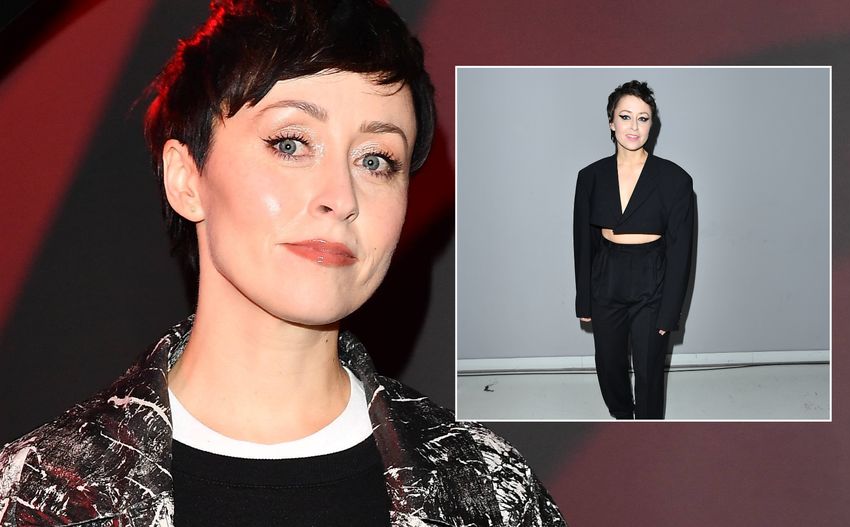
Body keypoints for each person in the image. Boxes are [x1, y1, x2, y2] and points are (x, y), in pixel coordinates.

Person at [0, 1, 565, 525]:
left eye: (376, 160)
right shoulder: (36, 495)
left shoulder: (491, 495)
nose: (341, 196)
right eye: (291, 143)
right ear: (187, 179)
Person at [573, 80, 695, 420]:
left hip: (652, 279)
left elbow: (681, 251)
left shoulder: (675, 179)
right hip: (606, 277)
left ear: (652, 125)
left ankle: (647, 430)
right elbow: (583, 242)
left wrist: (669, 312)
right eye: (625, 116)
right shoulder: (590, 177)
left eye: (643, 118)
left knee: (649, 370)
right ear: (611, 122)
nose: (634, 126)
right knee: (608, 366)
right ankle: (622, 419)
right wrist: (585, 300)